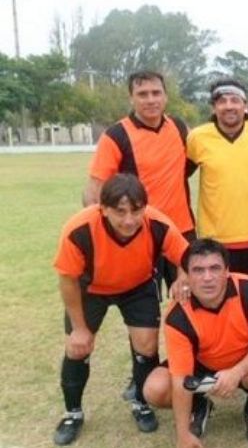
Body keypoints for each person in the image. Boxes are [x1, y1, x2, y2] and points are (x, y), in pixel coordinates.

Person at [52, 174, 189, 445]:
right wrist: (79, 328)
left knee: (147, 345)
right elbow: (67, 280)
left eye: (136, 211)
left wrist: (182, 277)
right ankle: (73, 413)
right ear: (103, 208)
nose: (129, 220)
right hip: (91, 288)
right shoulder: (79, 229)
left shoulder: (158, 223)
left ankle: (141, 402)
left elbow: (186, 255)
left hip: (137, 286)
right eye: (120, 211)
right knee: (77, 347)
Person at [83, 70, 195, 402]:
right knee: (144, 317)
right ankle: (142, 381)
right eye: (142, 94)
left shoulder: (179, 128)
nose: (150, 100)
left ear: (166, 96)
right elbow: (94, 192)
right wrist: (106, 234)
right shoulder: (117, 135)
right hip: (141, 238)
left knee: (191, 304)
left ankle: (190, 370)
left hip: (181, 232)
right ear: (131, 97)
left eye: (156, 93)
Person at [143, 238, 248, 447]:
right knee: (155, 388)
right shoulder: (177, 315)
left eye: (215, 268)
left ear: (227, 271)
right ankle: (199, 406)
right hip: (201, 366)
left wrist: (236, 372)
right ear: (186, 275)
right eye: (198, 270)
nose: (207, 277)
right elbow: (180, 379)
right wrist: (183, 435)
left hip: (245, 362)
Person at [187, 79, 248, 282]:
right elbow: (179, 176)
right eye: (222, 101)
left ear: (246, 106)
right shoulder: (198, 137)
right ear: (213, 108)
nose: (229, 106)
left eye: (235, 100)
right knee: (220, 296)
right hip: (216, 240)